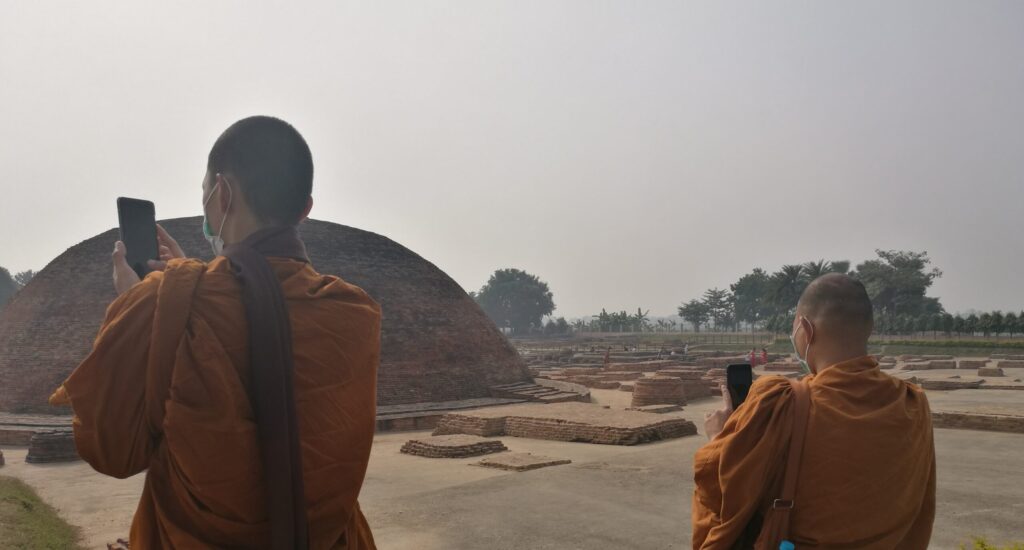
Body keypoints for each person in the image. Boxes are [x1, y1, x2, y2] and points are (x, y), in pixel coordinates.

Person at [49, 116, 380, 549]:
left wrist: (140, 303)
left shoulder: (168, 302)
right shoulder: (352, 313)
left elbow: (111, 451)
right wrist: (184, 290)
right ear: (304, 209)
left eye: (205, 194)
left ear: (221, 194)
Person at [692, 274, 935, 548]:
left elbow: (726, 494)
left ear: (805, 329)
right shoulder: (912, 403)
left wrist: (717, 438)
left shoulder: (780, 401)